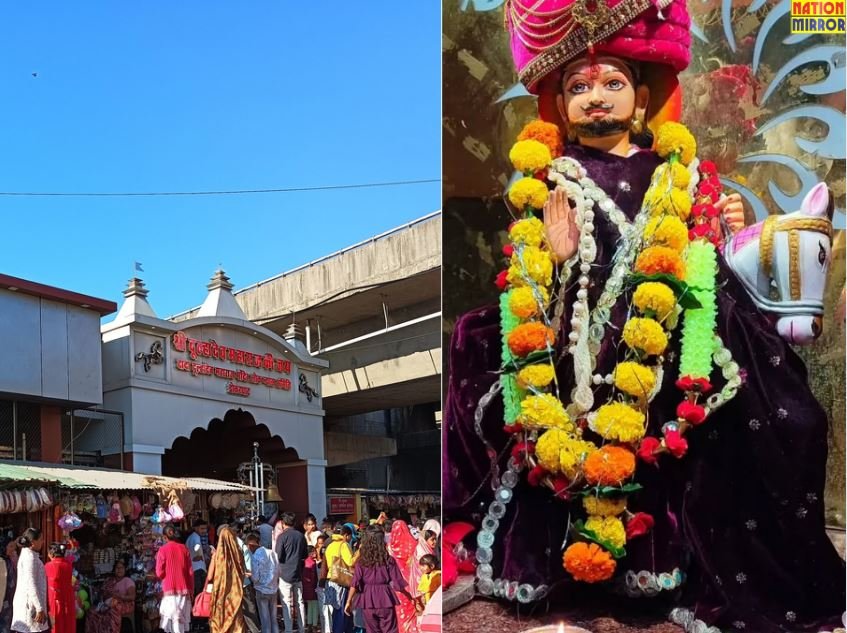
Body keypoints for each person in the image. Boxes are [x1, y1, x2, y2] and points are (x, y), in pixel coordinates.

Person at [444, 0, 846, 630]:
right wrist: (556, 254)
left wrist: (723, 223)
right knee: (481, 346)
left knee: (788, 414)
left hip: (667, 329)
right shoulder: (550, 177)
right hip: (578, 333)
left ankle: (696, 562)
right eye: (579, 87)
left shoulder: (678, 172)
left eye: (612, 83)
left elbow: (701, 256)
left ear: (642, 96)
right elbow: (530, 275)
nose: (596, 98)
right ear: (559, 104)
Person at [344, 526, 415, 633]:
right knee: (390, 630)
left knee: (372, 630)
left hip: (367, 599)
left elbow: (355, 583)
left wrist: (348, 601)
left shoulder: (361, 562)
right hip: (385, 598)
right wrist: (410, 596)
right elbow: (397, 583)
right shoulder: (388, 560)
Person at [207, 526, 246, 633]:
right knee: (236, 619)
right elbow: (242, 573)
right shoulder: (239, 555)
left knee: (220, 619)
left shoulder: (217, 556)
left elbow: (210, 576)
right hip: (235, 594)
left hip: (220, 594)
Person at [156, 526, 194, 633]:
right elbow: (190, 572)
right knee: (180, 621)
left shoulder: (162, 550)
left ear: (164, 537)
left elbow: (159, 573)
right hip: (184, 590)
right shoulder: (184, 548)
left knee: (170, 620)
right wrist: (191, 590)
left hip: (169, 589)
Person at [274, 512, 307, 633]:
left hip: (284, 574)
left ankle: (288, 629)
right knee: (300, 603)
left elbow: (278, 555)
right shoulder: (301, 536)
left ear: (283, 523)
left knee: (286, 603)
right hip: (297, 573)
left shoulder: (282, 537)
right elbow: (305, 555)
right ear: (294, 522)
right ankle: (302, 628)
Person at [11, 528, 48, 633]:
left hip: (32, 604)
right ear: (32, 542)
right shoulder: (29, 558)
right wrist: (39, 607)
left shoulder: (30, 555)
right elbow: (30, 583)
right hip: (30, 605)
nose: (43, 541)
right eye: (40, 539)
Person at [84, 559, 136, 633]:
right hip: (108, 603)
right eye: (117, 568)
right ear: (114, 569)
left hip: (125, 604)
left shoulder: (127, 581)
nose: (119, 570)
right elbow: (103, 593)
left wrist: (119, 596)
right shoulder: (110, 580)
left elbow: (132, 597)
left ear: (125, 569)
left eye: (121, 568)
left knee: (112, 610)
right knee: (91, 611)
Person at [385, 523, 418, 633]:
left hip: (396, 584)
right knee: (411, 610)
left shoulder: (389, 547)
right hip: (411, 584)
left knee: (400, 612)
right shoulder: (412, 544)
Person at [323, 525, 354, 633]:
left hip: (331, 580)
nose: (350, 539)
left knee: (336, 610)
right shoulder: (344, 545)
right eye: (350, 537)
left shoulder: (330, 545)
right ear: (346, 535)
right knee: (341, 610)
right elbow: (350, 562)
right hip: (341, 581)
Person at [245, 532, 278, 633]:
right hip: (273, 589)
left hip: (261, 590)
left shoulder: (255, 557)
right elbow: (278, 570)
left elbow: (256, 578)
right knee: (273, 619)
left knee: (265, 619)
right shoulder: (272, 553)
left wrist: (250, 576)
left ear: (249, 545)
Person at [44, 543, 74, 633]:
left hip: (54, 601)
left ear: (51, 554)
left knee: (56, 627)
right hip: (68, 599)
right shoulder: (68, 565)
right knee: (68, 626)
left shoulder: (48, 566)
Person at [185, 520, 210, 606]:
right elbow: (197, 547)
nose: (204, 531)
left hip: (194, 568)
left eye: (205, 529)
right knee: (199, 593)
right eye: (202, 528)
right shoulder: (196, 538)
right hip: (198, 568)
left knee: (196, 592)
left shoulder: (191, 537)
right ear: (196, 528)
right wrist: (199, 555)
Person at [0, 534, 18, 632]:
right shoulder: (1, 562)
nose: (13, 549)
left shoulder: (9, 560)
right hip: (2, 599)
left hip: (9, 600)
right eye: (10, 546)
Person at [302, 546, 319, 633]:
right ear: (309, 553)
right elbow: (313, 576)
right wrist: (316, 586)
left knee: (309, 606)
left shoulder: (305, 562)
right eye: (313, 551)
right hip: (313, 587)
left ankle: (309, 624)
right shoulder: (313, 563)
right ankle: (314, 625)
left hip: (306, 588)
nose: (315, 553)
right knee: (315, 606)